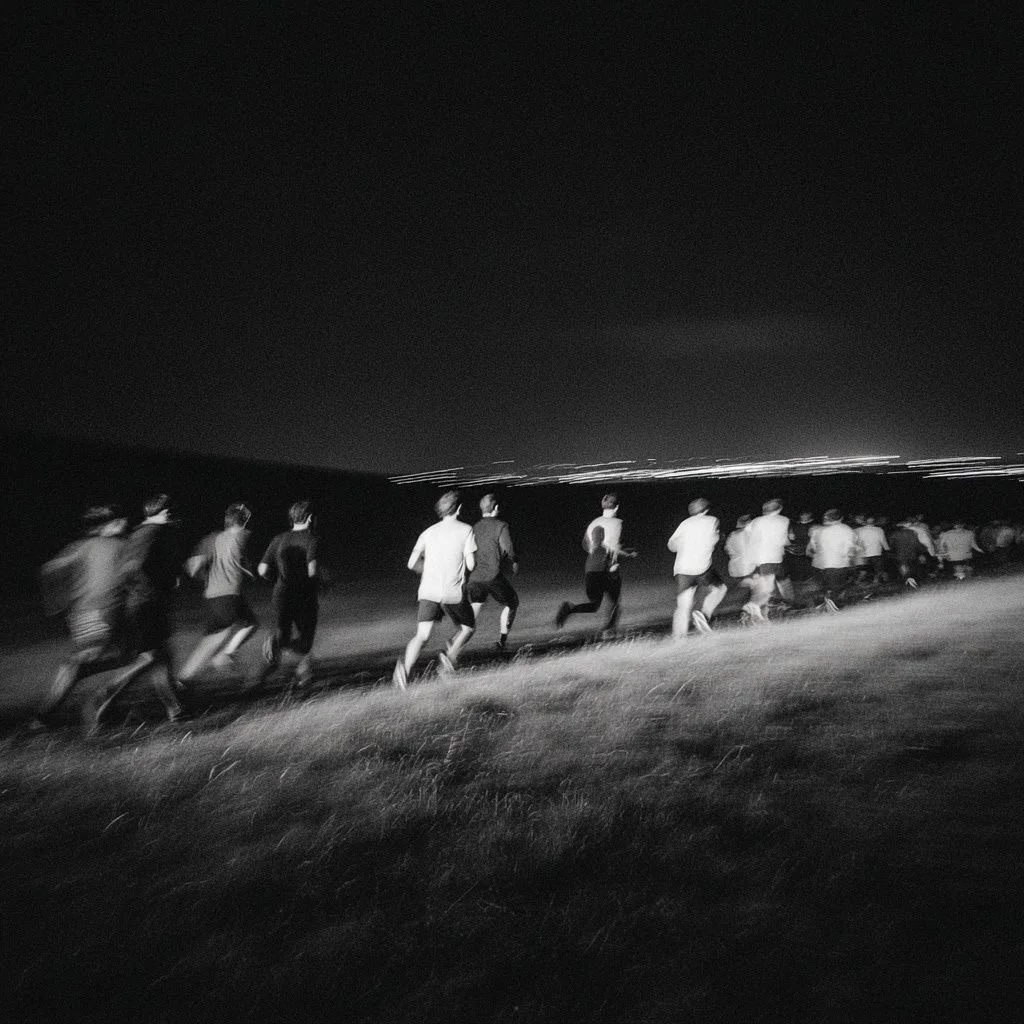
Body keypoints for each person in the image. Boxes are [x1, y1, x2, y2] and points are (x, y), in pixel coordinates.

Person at [85, 494, 186, 734]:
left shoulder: (148, 532)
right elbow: (132, 568)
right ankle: (106, 694)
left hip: (148, 603)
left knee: (161, 656)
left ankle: (176, 709)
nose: (171, 513)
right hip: (145, 604)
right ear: (162, 511)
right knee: (150, 657)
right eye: (168, 510)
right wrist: (151, 589)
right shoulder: (149, 533)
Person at [36, 505, 128, 721]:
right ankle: (46, 714)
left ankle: (106, 707)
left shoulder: (78, 547)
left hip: (81, 613)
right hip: (107, 610)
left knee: (113, 655)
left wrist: (55, 602)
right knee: (130, 657)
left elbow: (48, 569)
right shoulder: (117, 545)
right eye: (119, 521)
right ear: (106, 526)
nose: (124, 523)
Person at [394, 490, 477, 689]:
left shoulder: (428, 532)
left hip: (428, 590)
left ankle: (404, 672)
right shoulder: (466, 530)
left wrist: (429, 571)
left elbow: (412, 563)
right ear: (459, 508)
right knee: (468, 628)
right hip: (452, 591)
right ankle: (448, 659)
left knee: (422, 635)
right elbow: (472, 564)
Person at [179, 502, 258, 683]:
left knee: (249, 624)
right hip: (228, 595)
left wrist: (205, 578)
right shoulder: (243, 536)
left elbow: (192, 567)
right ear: (245, 521)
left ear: (226, 520)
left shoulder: (212, 539)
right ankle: (185, 679)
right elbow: (245, 565)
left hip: (214, 595)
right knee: (215, 638)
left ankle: (223, 656)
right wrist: (246, 570)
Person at [555, 493, 637, 634]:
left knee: (594, 605)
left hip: (591, 567)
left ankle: (570, 608)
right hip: (609, 568)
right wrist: (628, 553)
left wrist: (598, 552)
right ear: (617, 507)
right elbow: (614, 546)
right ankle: (610, 631)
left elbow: (586, 546)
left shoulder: (593, 523)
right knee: (615, 602)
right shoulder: (618, 523)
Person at [258, 500, 319, 687]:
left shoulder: (279, 539)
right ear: (310, 518)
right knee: (305, 641)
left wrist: (276, 580)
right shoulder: (311, 539)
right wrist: (322, 583)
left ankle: (303, 674)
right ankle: (303, 673)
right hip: (304, 596)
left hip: (281, 593)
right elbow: (312, 572)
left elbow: (261, 569)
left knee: (283, 635)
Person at [666, 497, 726, 637]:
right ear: (706, 510)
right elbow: (715, 539)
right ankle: (703, 614)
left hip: (682, 569)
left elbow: (671, 546)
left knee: (683, 606)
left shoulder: (684, 523)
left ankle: (679, 638)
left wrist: (682, 544)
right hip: (702, 568)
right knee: (719, 589)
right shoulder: (712, 520)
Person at [468, 493, 519, 650]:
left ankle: (454, 644)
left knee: (473, 613)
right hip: (493, 575)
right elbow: (508, 547)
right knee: (512, 603)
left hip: (475, 578)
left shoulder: (473, 528)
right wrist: (514, 560)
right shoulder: (500, 525)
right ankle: (502, 642)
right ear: (496, 508)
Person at [744, 498, 793, 622]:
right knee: (771, 585)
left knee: (778, 579)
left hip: (760, 557)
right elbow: (785, 540)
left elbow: (747, 532)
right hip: (773, 556)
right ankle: (755, 606)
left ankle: (781, 605)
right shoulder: (784, 520)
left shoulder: (756, 521)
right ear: (779, 509)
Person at [807, 508, 859, 611]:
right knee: (838, 587)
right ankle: (833, 604)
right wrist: (851, 559)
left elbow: (812, 548)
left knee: (825, 586)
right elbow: (851, 548)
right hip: (837, 562)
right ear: (841, 518)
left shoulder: (818, 530)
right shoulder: (846, 529)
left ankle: (823, 604)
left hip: (818, 563)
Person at [854, 516, 890, 584]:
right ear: (874, 522)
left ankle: (858, 581)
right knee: (878, 568)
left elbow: (854, 541)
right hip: (876, 552)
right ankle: (876, 580)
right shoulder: (879, 530)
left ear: (864, 522)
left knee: (863, 569)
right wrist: (887, 549)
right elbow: (883, 541)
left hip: (863, 553)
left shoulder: (857, 530)